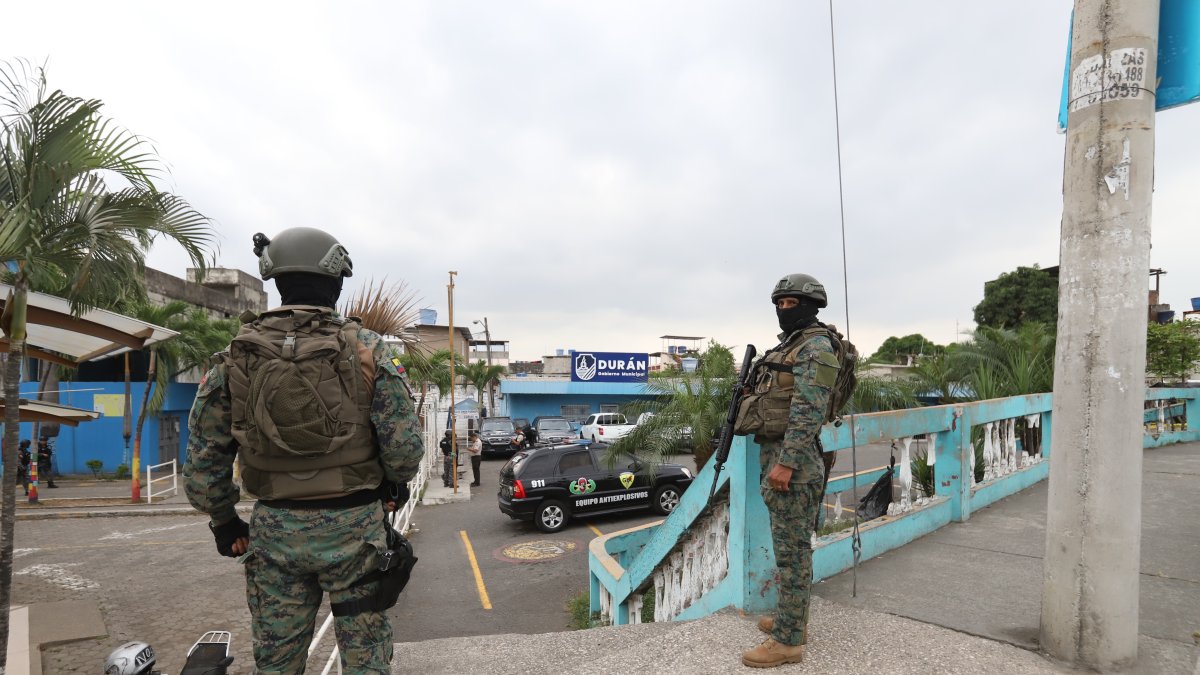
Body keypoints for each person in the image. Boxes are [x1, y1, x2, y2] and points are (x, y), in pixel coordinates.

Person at [184, 227, 425, 673]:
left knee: (278, 659)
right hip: (357, 532)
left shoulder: (235, 355)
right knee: (365, 658)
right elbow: (405, 451)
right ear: (336, 283)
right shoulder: (368, 350)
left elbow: (203, 462)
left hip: (274, 531)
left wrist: (223, 521)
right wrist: (393, 484)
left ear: (277, 281)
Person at [739, 273, 840, 668]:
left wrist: (786, 462)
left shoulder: (815, 348)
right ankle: (791, 620)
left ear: (811, 305)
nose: (784, 310)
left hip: (793, 465)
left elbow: (808, 411)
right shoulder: (791, 345)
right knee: (788, 550)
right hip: (780, 458)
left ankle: (788, 642)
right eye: (779, 304)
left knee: (793, 553)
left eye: (791, 303)